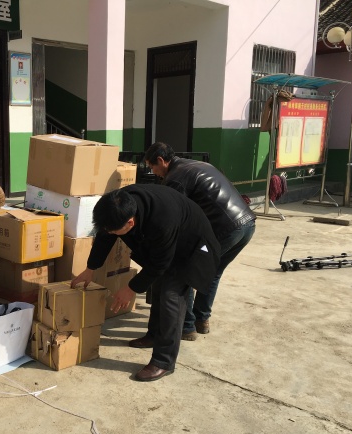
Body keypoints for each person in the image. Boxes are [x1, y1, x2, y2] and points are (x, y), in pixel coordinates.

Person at [71, 184, 220, 382]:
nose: (110, 233)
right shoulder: (118, 205)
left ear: (130, 222)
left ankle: (163, 361)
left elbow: (159, 264)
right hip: (167, 246)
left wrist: (130, 288)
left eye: (115, 231)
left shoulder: (162, 220)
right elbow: (105, 235)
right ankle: (154, 335)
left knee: (171, 297)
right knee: (157, 287)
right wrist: (91, 268)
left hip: (191, 249)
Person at [145, 142, 256, 341]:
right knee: (213, 272)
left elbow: (172, 216)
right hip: (247, 224)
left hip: (225, 229)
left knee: (186, 270)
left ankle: (187, 326)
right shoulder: (197, 165)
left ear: (161, 160)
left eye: (152, 167)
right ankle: (201, 320)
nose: (154, 172)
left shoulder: (175, 178)